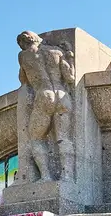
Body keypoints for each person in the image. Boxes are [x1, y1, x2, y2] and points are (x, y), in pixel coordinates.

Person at [17, 31, 76, 183]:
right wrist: (69, 55)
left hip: (43, 95)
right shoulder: (57, 52)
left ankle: (46, 176)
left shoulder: (23, 56)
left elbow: (23, 80)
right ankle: (67, 176)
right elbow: (70, 77)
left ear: (23, 43)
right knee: (64, 138)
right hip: (63, 95)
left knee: (35, 138)